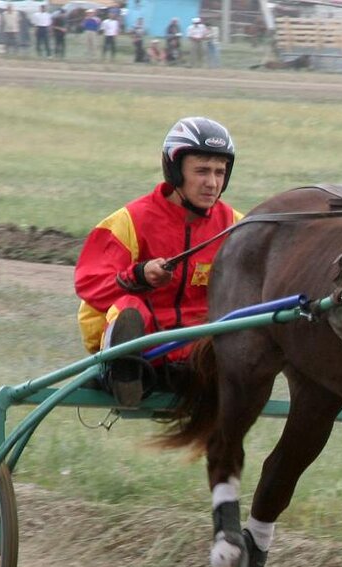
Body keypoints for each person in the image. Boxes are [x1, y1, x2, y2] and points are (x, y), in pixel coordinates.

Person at [74, 117, 244, 406]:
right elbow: (90, 283)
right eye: (201, 171)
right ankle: (120, 374)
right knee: (128, 307)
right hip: (145, 351)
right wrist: (138, 276)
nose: (212, 183)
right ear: (175, 171)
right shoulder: (130, 220)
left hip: (201, 353)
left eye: (219, 172)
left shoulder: (237, 228)